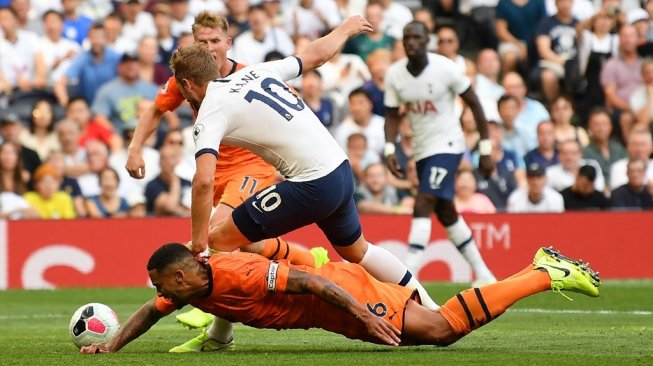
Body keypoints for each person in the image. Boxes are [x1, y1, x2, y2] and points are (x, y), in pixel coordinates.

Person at [170, 17, 440, 322]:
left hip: (312, 184)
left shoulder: (210, 110)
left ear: (187, 84)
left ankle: (222, 333)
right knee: (358, 251)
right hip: (340, 171)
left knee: (220, 241)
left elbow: (204, 181)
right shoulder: (258, 71)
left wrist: (199, 241)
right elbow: (315, 55)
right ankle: (433, 306)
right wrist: (345, 29)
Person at [124, 11, 343, 351]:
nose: (209, 48)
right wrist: (135, 149)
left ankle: (211, 323)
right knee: (243, 244)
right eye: (202, 41)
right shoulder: (189, 78)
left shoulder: (247, 76)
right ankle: (308, 260)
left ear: (228, 43)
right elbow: (155, 110)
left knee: (215, 237)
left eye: (214, 41)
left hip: (251, 169)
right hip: (217, 171)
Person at [79, 243, 601, 354]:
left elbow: (315, 284)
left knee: (440, 331)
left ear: (184, 273)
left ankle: (542, 272)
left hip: (340, 295)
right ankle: (541, 270)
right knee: (437, 328)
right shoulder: (192, 287)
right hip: (331, 310)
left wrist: (367, 319)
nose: (157, 290)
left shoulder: (236, 272)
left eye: (161, 281)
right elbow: (149, 313)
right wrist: (112, 346)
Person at [384, 21, 496, 286]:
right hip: (422, 150)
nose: (411, 42)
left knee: (423, 202)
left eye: (417, 37)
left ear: (427, 41)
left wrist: (486, 148)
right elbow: (390, 114)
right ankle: (484, 274)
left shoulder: (446, 68)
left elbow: (475, 104)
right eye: (406, 37)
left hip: (448, 145)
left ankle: (407, 277)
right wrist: (390, 147)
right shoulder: (394, 75)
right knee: (445, 212)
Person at [582, 108, 627, 187]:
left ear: (610, 126)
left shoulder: (618, 148)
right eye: (596, 125)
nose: (601, 128)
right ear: (589, 127)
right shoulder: (585, 152)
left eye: (604, 124)